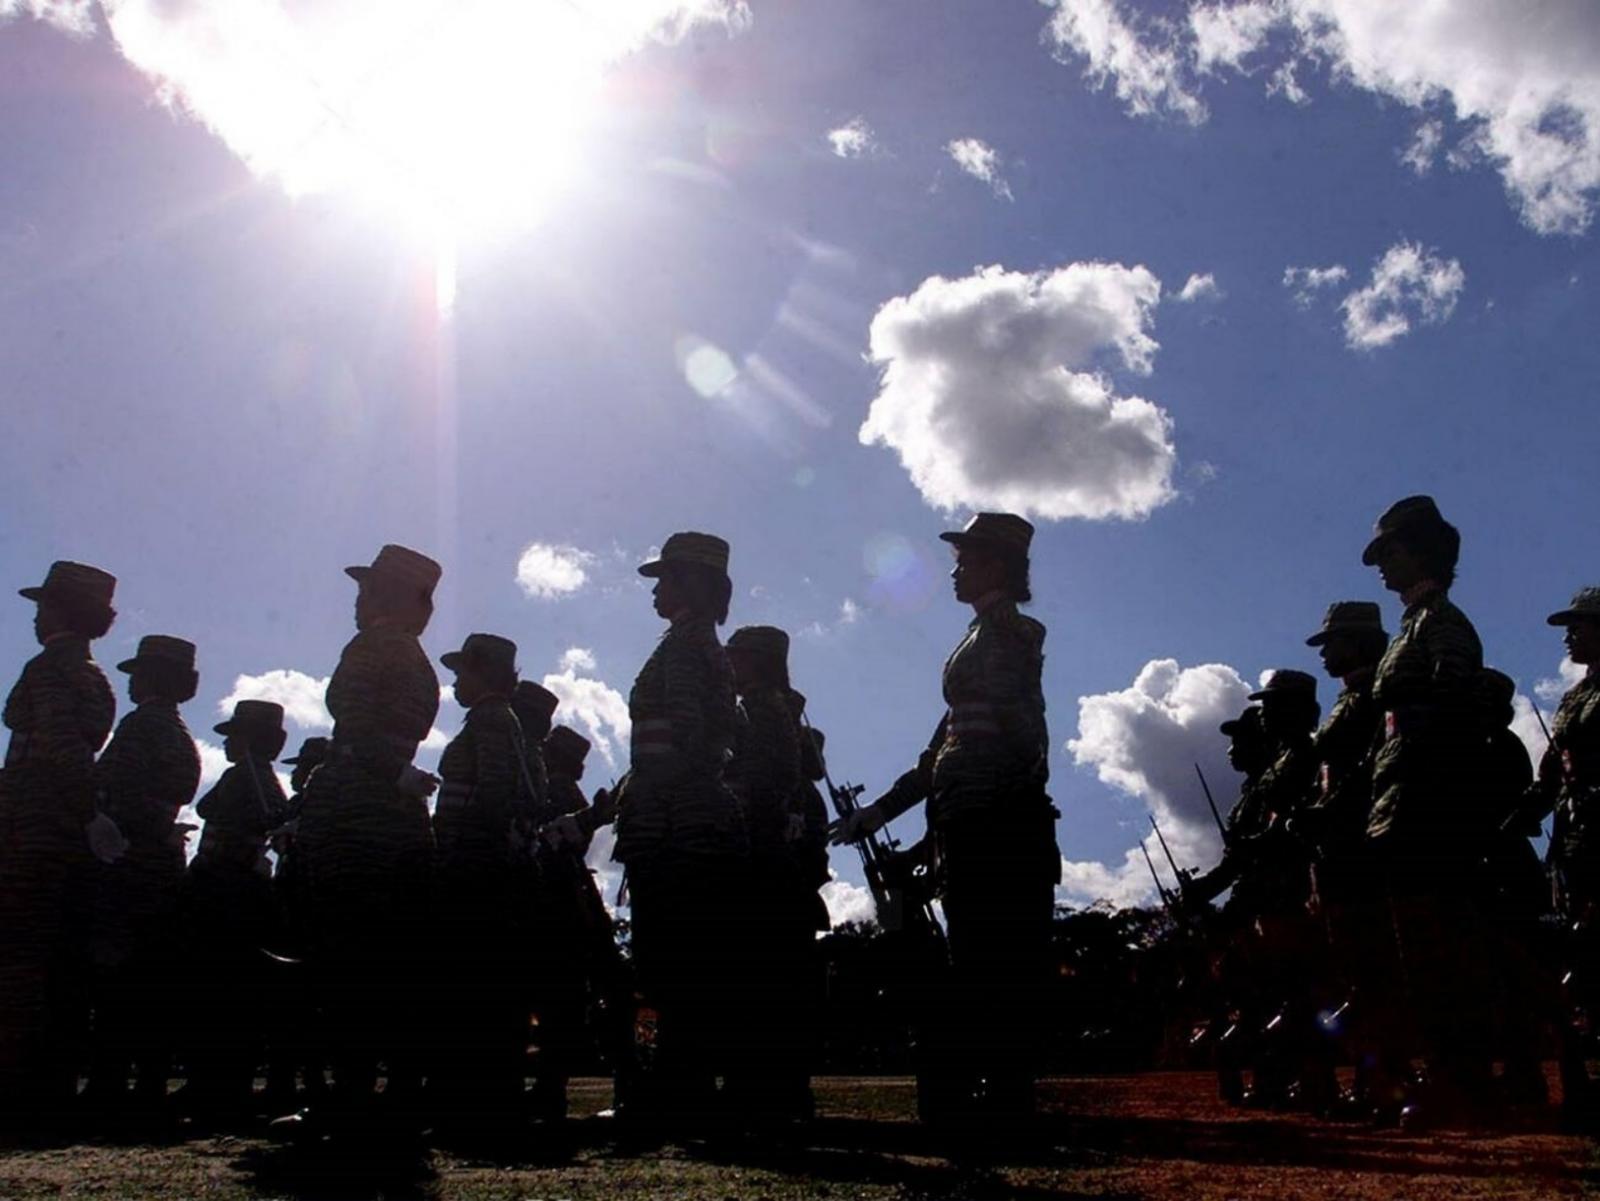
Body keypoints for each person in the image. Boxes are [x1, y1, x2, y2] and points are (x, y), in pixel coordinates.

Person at [832, 512, 1056, 1120]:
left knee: (990, 957)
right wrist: (878, 813)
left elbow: (1023, 736)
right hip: (967, 818)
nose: (955, 569)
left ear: (998, 566)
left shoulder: (1006, 635)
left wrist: (1003, 810)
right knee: (973, 955)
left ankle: (1005, 1097)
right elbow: (941, 753)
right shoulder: (979, 637)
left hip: (991, 820)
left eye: (967, 557)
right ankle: (989, 1090)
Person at [281, 544, 441, 1140]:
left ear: (394, 598)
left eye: (368, 589)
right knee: (383, 957)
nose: (358, 600)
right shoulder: (416, 660)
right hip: (387, 813)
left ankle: (346, 1100)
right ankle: (392, 1094)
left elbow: (359, 732)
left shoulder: (375, 646)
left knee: (346, 956)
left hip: (355, 816)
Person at [1360, 495, 1492, 1127]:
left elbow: (1456, 706)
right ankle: (1443, 1070)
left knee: (1439, 951)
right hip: (1401, 802)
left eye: (1390, 552)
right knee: (1414, 951)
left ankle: (1459, 1079)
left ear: (1420, 551)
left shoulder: (1442, 622)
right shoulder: (1412, 626)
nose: (1382, 566)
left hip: (1428, 804)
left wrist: (1427, 784)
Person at [611, 531, 745, 1124]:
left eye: (666, 577)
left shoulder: (689, 648)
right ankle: (675, 1085)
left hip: (676, 822)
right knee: (671, 960)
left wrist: (656, 806)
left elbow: (690, 742)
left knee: (669, 961)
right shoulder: (686, 644)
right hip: (673, 815)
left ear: (693, 582)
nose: (657, 589)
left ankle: (672, 1089)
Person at [0, 561, 119, 1127]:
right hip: (57, 823)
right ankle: (45, 1081)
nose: (37, 615)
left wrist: (80, 804)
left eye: (44, 605)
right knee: (53, 955)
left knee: (23, 954)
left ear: (61, 611)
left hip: (33, 823)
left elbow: (57, 742)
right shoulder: (92, 675)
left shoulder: (50, 668)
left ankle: (23, 1084)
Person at [82, 635, 202, 1124]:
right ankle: (148, 1081)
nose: (131, 681)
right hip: (158, 860)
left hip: (130, 857)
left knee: (118, 977)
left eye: (138, 673)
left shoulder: (140, 727)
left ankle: (110, 1083)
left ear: (152, 678)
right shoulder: (179, 734)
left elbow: (112, 787)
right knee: (152, 979)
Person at [1297, 602, 1401, 1118]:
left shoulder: (1373, 698)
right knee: (1355, 970)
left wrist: (1329, 811)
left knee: (1372, 969)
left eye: (1333, 643)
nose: (1325, 654)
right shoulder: (1352, 698)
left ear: (1359, 643)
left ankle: (1382, 1080)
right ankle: (1370, 1079)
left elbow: (1366, 771)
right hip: (1338, 847)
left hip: (1361, 846)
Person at [430, 633, 530, 1141]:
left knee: (473, 981)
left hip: (475, 865)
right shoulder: (491, 720)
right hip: (478, 861)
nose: (454, 681)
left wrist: (464, 852)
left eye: (463, 671)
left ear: (484, 674)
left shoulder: (491, 720)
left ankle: (475, 1099)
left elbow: (493, 791)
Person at [180, 699, 289, 1122]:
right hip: (225, 886)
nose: (228, 744)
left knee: (223, 988)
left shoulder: (254, 778)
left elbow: (266, 819)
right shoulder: (248, 776)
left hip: (229, 889)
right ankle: (214, 1081)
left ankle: (220, 1084)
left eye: (236, 736)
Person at [724, 625, 815, 1121]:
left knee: (758, 978)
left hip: (759, 854)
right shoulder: (775, 709)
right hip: (771, 856)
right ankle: (774, 1090)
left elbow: (759, 786)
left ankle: (761, 1092)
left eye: (737, 657)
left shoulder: (759, 710)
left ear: (757, 661)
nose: (730, 666)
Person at [1525, 585, 1600, 1124]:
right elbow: (1553, 769)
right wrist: (1524, 812)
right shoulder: (1576, 696)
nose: (1570, 634)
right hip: (1573, 839)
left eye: (1581, 624)